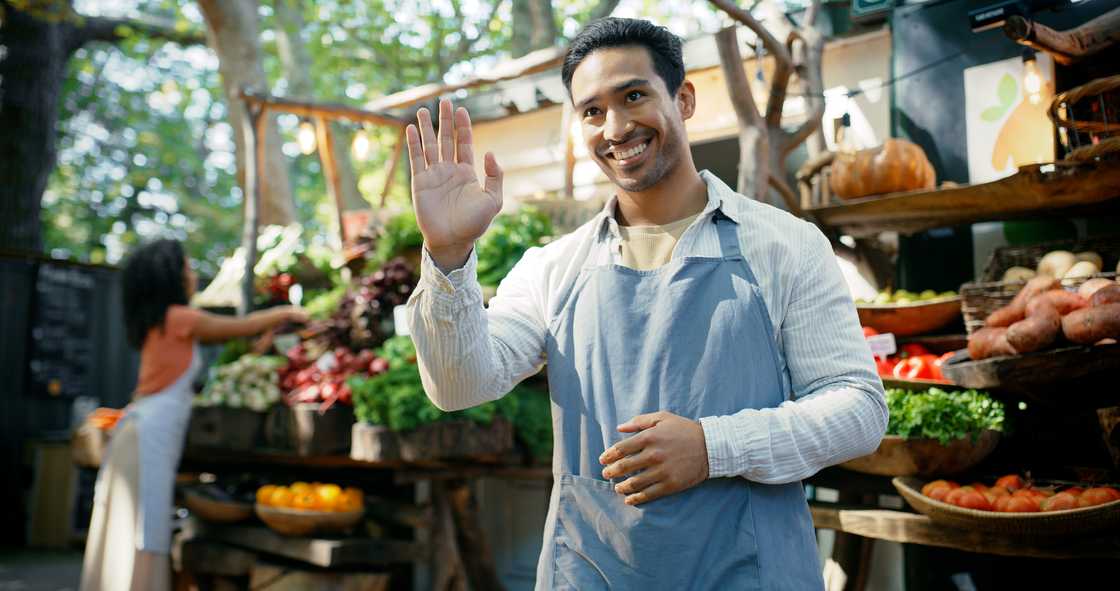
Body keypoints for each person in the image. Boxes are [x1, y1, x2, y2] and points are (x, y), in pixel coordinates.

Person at [405, 17, 888, 590]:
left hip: (750, 574)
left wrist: (712, 447)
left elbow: (859, 410)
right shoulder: (553, 268)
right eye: (592, 111)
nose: (615, 127)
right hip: (592, 574)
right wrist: (449, 253)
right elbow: (459, 385)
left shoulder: (783, 245)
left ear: (683, 99)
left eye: (633, 96)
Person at [80, 239, 307, 591]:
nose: (192, 274)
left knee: (132, 526)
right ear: (170, 277)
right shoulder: (179, 318)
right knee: (146, 526)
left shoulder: (160, 322)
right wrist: (287, 313)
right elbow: (241, 326)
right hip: (148, 436)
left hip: (140, 432)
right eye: (186, 267)